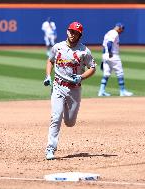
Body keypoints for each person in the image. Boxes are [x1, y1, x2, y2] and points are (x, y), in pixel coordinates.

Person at [43, 21, 96, 160]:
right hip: (58, 86)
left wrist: (81, 77)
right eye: (71, 31)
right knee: (56, 117)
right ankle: (50, 148)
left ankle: (69, 116)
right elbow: (50, 61)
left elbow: (92, 67)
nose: (73, 34)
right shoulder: (58, 47)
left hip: (74, 90)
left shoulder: (84, 51)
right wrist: (48, 76)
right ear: (67, 31)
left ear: (80, 35)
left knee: (70, 122)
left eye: (76, 33)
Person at [98, 22, 133, 97]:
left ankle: (101, 91)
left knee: (106, 74)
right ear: (119, 28)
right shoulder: (114, 33)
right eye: (121, 30)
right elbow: (109, 43)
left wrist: (104, 57)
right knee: (120, 72)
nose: (121, 32)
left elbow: (104, 46)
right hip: (113, 55)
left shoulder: (108, 33)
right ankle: (122, 91)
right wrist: (110, 53)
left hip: (105, 55)